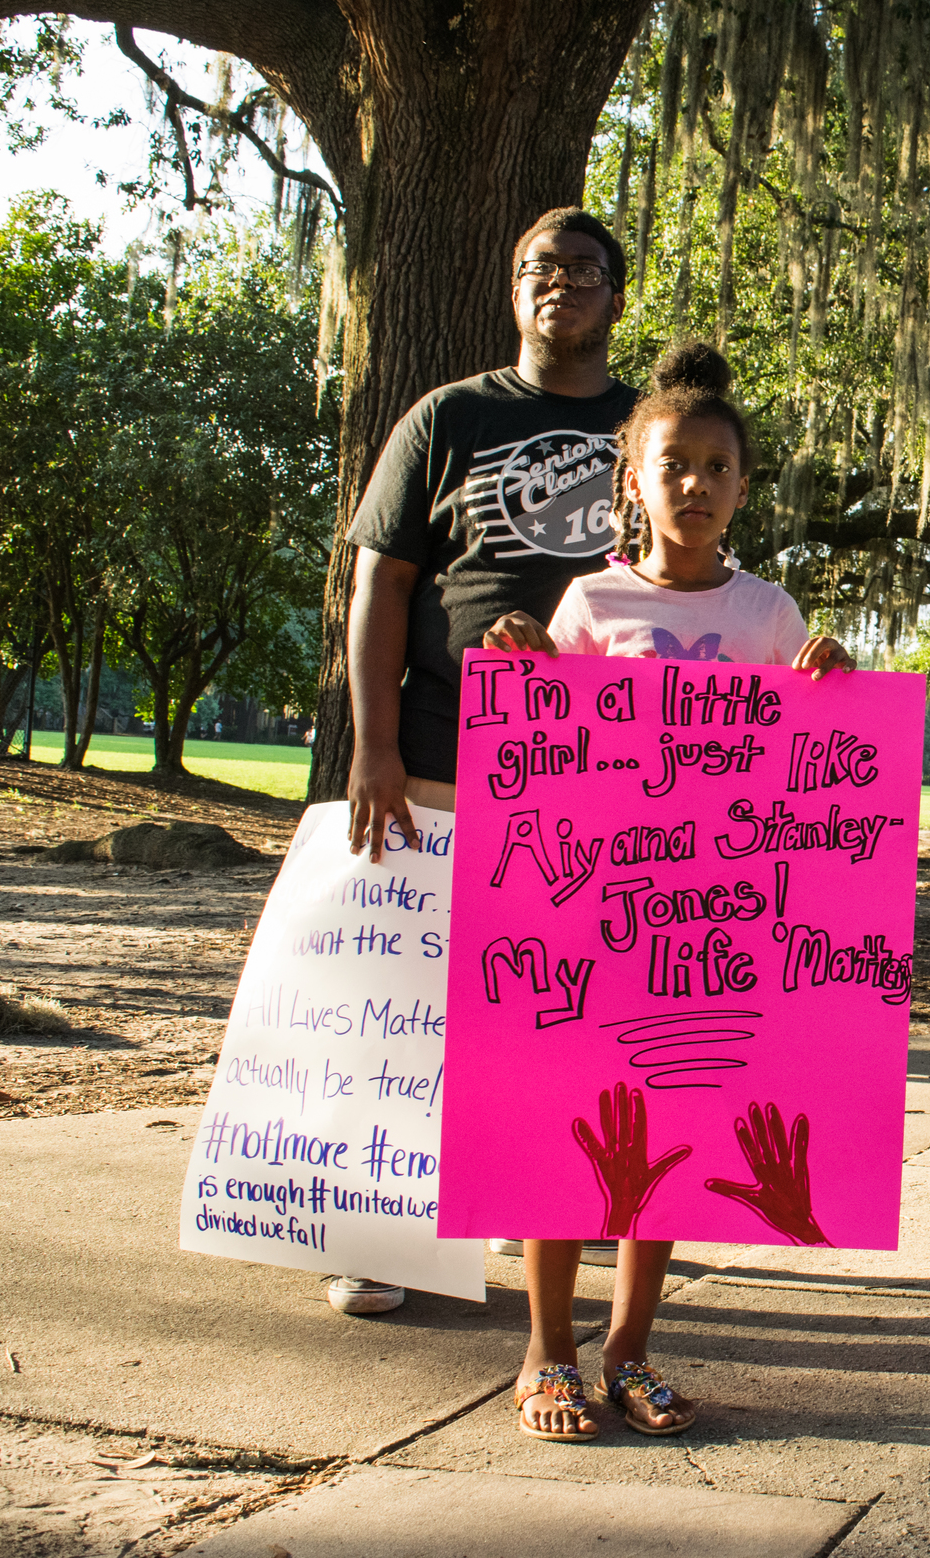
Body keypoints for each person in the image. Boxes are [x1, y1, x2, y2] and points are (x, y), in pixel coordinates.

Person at [481, 340, 853, 1439]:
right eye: (671, 463)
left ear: (743, 486)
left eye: (715, 467)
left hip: (711, 924)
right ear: (630, 481)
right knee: (568, 1125)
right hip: (592, 919)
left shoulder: (769, 613)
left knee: (668, 1137)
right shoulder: (587, 602)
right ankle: (548, 1346)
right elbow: (542, 760)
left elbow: (809, 771)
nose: (693, 483)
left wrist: (831, 685)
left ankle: (631, 1344)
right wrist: (526, 664)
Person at [331, 208, 638, 1316]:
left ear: (615, 295)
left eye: (584, 269)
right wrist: (370, 748)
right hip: (437, 756)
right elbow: (382, 587)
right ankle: (371, 1231)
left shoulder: (644, 430)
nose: (561, 283)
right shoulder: (446, 417)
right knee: (414, 1005)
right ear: (515, 292)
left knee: (552, 1006)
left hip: (592, 780)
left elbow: (690, 577)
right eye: (538, 268)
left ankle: (526, 1196)